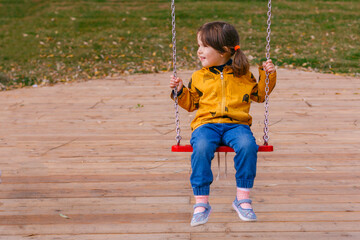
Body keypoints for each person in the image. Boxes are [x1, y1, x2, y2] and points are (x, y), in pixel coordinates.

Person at [170, 21, 276, 227]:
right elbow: (191, 104)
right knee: (200, 147)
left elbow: (260, 95)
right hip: (206, 125)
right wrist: (180, 90)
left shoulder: (243, 75)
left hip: (237, 124)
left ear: (224, 51)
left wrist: (268, 75)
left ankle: (242, 198)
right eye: (198, 46)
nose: (199, 51)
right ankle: (201, 203)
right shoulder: (198, 76)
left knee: (247, 146)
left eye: (204, 46)